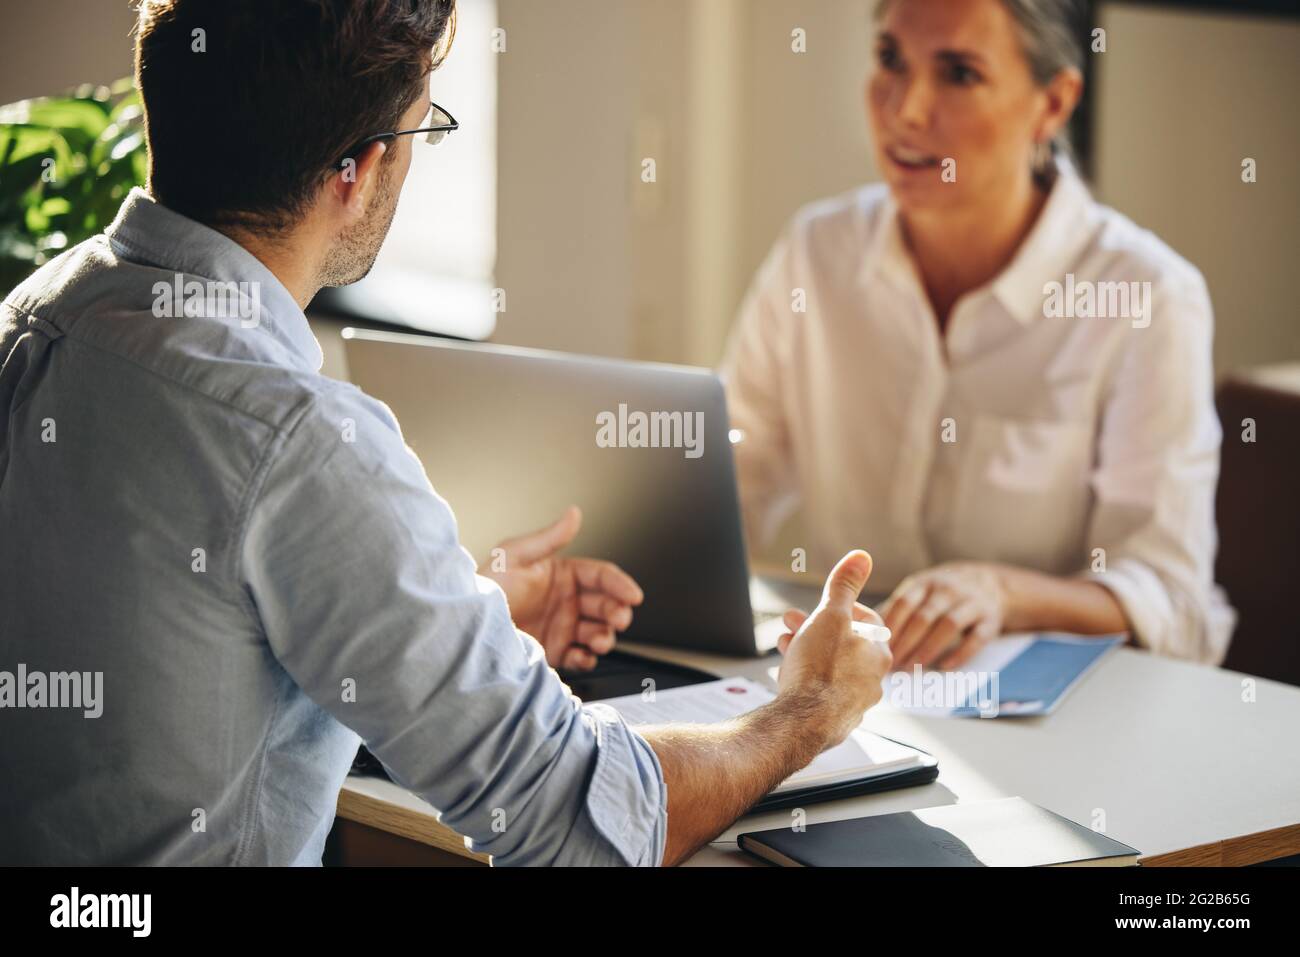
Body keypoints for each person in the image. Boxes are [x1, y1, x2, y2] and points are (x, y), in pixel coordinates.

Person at [0, 0, 891, 866]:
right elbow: (584, 825)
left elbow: (176, 676)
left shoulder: (29, 323)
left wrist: (454, 627)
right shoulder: (295, 438)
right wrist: (809, 707)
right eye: (423, 133)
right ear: (359, 171)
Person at [721, 0, 1234, 670]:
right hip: (849, 705)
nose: (905, 110)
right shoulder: (816, 253)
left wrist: (1002, 591)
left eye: (958, 73)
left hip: (1067, 717)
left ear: (1052, 104)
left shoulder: (1149, 296)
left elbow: (1171, 596)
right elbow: (728, 479)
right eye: (889, 60)